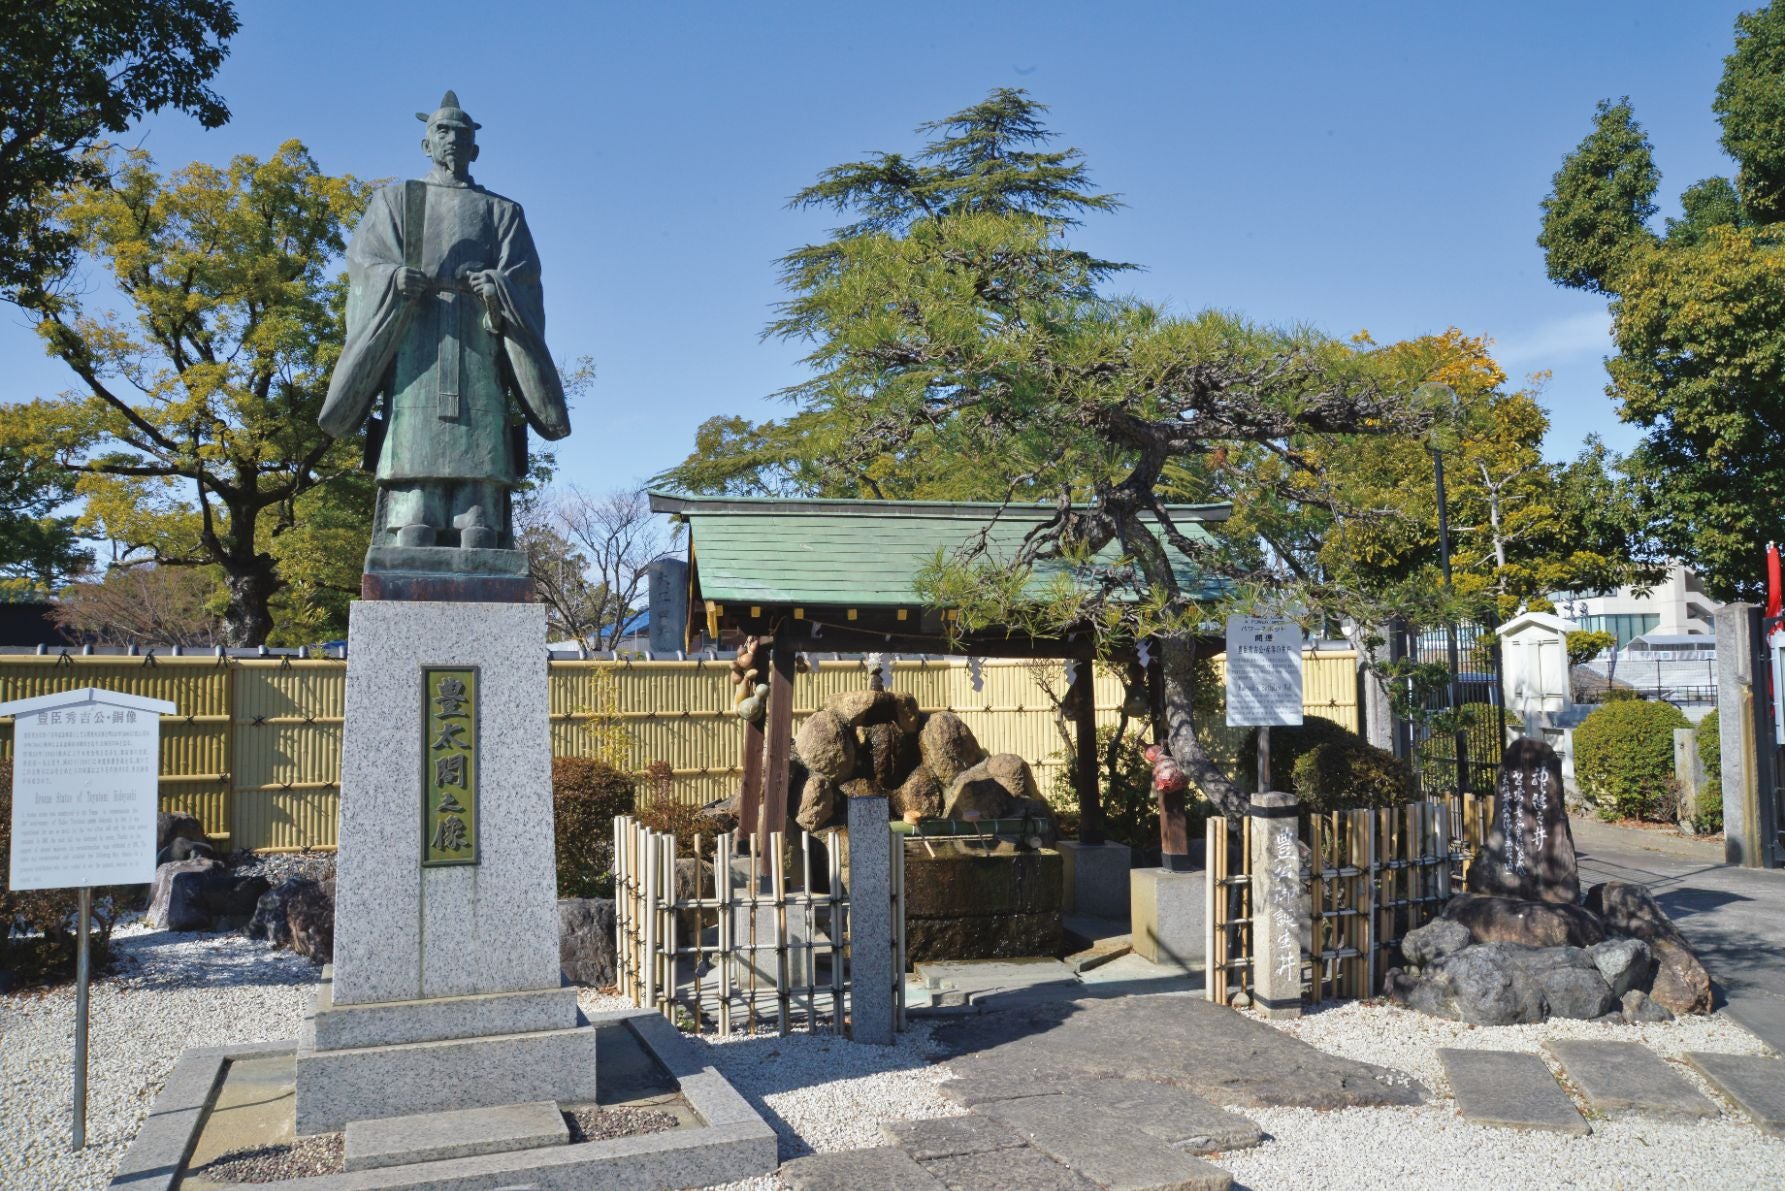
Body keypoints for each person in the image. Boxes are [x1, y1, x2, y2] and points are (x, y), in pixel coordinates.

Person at [320, 91, 570, 554]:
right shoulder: (396, 201)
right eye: (442, 131)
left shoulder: (503, 211)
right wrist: (392, 278)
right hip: (414, 335)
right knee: (413, 427)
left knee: (482, 422)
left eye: (461, 133)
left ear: (475, 148)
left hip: (482, 337)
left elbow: (525, 280)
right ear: (426, 144)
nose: (452, 139)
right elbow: (363, 263)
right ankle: (414, 511)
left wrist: (497, 287)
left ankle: (479, 513)